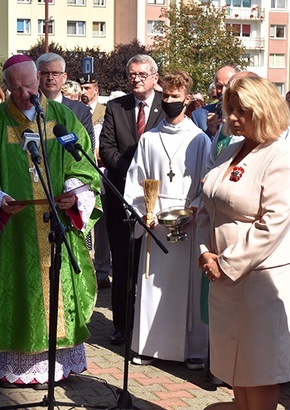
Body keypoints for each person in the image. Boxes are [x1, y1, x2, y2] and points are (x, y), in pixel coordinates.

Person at [0, 54, 100, 388]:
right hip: (12, 232)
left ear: (39, 80)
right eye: (16, 87)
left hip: (56, 227)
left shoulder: (63, 118)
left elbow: (83, 165)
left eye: (29, 85)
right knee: (13, 290)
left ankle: (58, 363)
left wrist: (73, 193)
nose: (25, 93)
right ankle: (10, 365)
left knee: (57, 291)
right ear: (6, 87)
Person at [196, 76, 290, 410]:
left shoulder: (282, 154)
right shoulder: (233, 149)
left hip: (262, 276)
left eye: (241, 111)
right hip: (224, 270)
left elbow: (274, 222)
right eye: (229, 110)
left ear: (262, 110)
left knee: (259, 368)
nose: (232, 118)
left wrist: (227, 262)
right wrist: (205, 252)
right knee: (236, 365)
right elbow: (207, 202)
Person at [123, 71, 210, 370]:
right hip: (155, 221)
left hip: (187, 221)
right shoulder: (149, 139)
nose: (171, 101)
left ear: (187, 99)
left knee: (188, 287)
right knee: (152, 286)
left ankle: (192, 350)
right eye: (167, 96)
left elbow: (206, 184)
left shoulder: (199, 140)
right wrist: (142, 213)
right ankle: (149, 346)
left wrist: (195, 210)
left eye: (176, 96)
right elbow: (135, 180)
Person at [98, 54, 165, 346]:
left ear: (154, 78)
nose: (136, 79)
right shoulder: (116, 107)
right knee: (124, 263)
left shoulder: (168, 107)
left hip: (157, 200)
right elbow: (107, 149)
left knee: (151, 263)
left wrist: (150, 178)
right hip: (121, 195)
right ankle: (122, 325)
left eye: (142, 74)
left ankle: (151, 324)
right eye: (132, 75)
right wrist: (136, 173)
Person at [80, 71, 111, 289]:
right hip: (82, 171)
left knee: (102, 225)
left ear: (96, 90)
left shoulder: (105, 112)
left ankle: (102, 270)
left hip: (102, 172)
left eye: (87, 88)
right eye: (81, 88)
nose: (83, 92)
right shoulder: (76, 112)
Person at [36, 53, 95, 151]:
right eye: (45, 73)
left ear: (64, 77)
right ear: (37, 76)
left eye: (55, 73)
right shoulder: (29, 108)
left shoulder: (80, 111)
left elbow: (87, 149)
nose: (50, 78)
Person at [191, 65, 237, 138]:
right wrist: (210, 132)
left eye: (228, 86)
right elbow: (197, 147)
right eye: (219, 86)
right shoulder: (199, 116)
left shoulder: (247, 115)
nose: (223, 91)